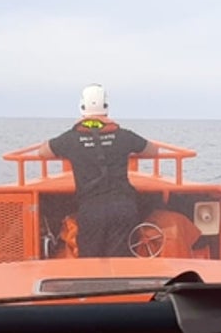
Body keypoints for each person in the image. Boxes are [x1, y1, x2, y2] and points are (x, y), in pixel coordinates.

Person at [37, 84, 162, 257]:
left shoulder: (70, 139)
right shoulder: (123, 136)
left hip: (91, 210)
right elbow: (153, 150)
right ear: (106, 108)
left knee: (91, 265)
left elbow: (42, 152)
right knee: (121, 264)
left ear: (82, 108)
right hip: (124, 209)